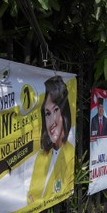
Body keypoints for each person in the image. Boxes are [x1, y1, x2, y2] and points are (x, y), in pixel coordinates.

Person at [27, 76, 74, 204]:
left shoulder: (70, 153)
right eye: (47, 113)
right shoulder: (41, 156)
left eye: (56, 110)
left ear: (64, 113)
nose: (51, 122)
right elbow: (30, 196)